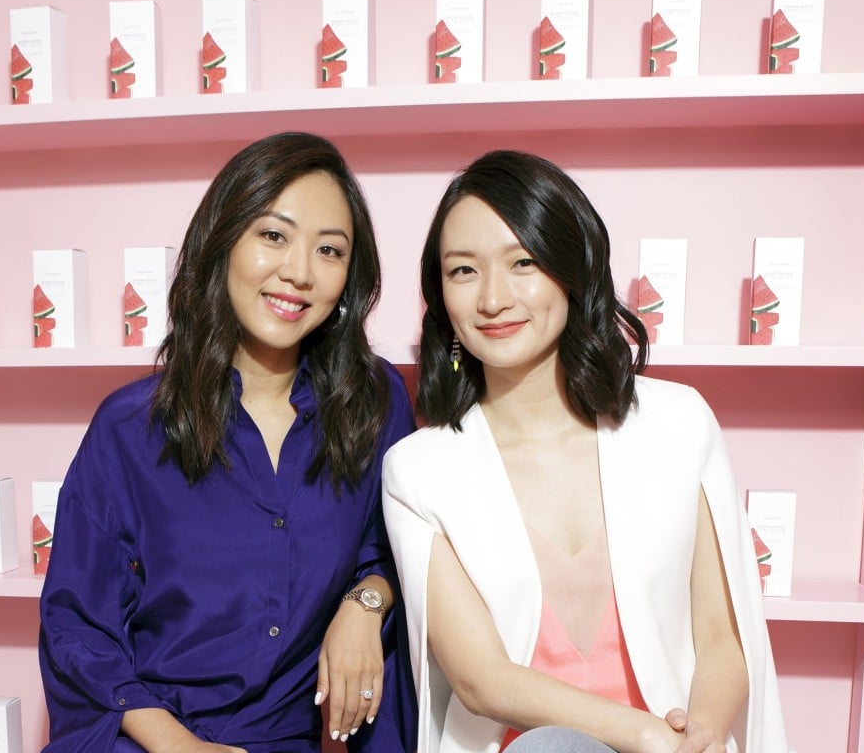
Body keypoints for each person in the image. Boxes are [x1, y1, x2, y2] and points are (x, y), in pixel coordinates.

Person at [382, 150, 788, 753]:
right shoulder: (420, 471)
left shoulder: (678, 424)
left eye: (523, 262)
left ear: (573, 269)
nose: (492, 298)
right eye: (463, 270)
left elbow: (722, 640)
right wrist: (644, 736)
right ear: (440, 296)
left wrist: (697, 736)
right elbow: (480, 680)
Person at [39, 132, 416, 753]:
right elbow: (77, 625)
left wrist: (366, 603)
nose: (299, 272)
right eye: (273, 236)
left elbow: (400, 547)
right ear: (223, 241)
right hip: (151, 738)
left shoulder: (374, 401)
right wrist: (177, 744)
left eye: (329, 250)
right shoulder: (130, 427)